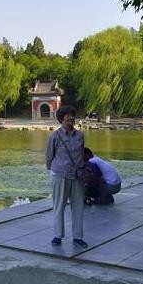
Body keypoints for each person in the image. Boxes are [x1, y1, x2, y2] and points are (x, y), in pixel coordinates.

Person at [44, 105, 88, 248]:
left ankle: (78, 237)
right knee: (59, 206)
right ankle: (58, 235)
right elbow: (49, 156)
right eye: (68, 116)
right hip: (60, 175)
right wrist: (54, 170)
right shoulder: (55, 136)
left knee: (78, 207)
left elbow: (82, 154)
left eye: (73, 116)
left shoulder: (80, 136)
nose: (71, 118)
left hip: (77, 176)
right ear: (61, 118)